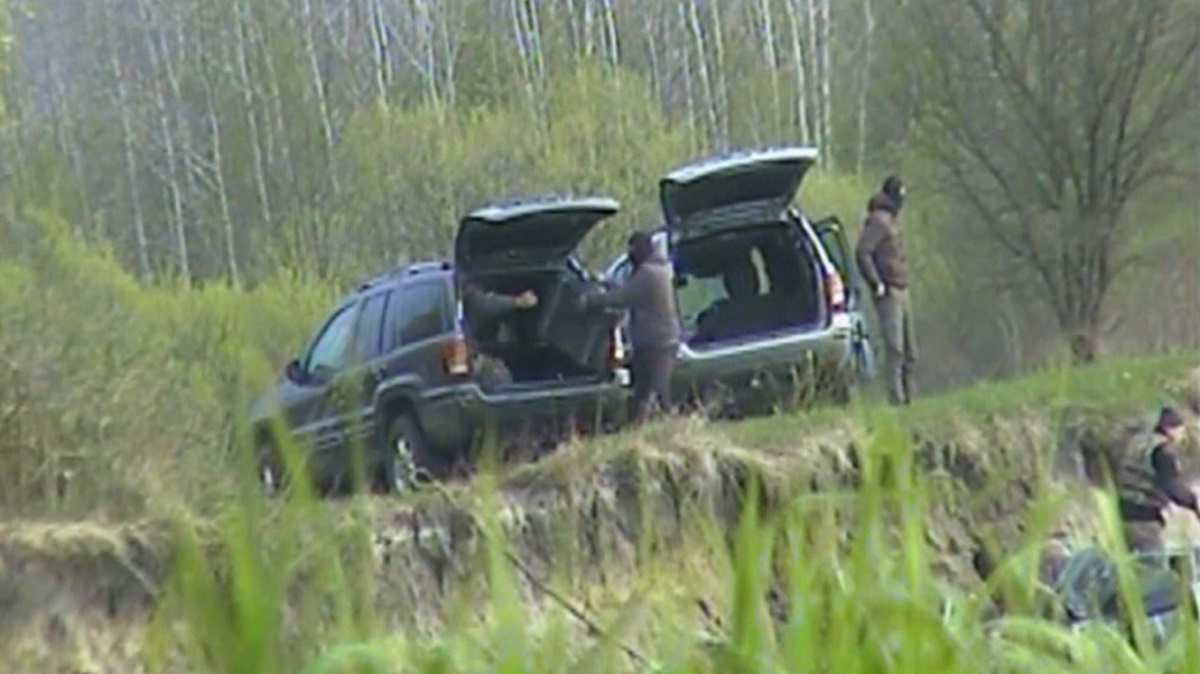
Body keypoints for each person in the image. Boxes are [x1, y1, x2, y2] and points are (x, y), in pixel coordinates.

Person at [580, 231, 680, 422]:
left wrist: (591, 301)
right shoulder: (658, 269)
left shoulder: (649, 273)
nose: (630, 255)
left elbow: (623, 297)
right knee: (643, 390)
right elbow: (628, 289)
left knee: (658, 391)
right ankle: (638, 425)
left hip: (657, 342)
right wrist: (605, 283)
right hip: (656, 340)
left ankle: (672, 426)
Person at [854, 175, 916, 406]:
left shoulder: (891, 219)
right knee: (895, 349)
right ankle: (896, 399)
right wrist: (876, 282)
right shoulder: (878, 221)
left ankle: (910, 399)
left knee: (910, 352)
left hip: (902, 288)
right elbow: (863, 252)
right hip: (888, 292)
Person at [1116, 406, 1200, 556]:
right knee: (1153, 565)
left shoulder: (1139, 444)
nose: (1181, 436)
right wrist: (1193, 502)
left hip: (1123, 514)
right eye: (1180, 430)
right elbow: (1171, 486)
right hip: (1145, 517)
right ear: (1169, 429)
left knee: (1133, 563)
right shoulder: (1162, 452)